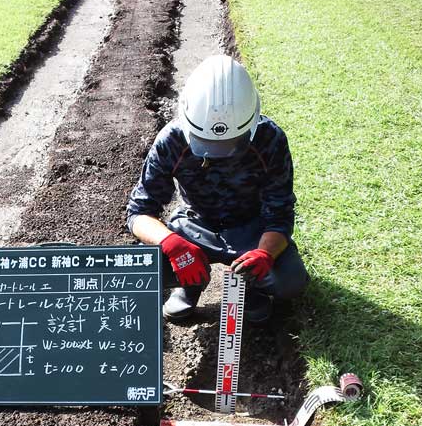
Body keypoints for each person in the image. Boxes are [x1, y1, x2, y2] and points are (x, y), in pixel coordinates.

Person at [126, 54, 309, 323]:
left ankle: (249, 286)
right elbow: (139, 212)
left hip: (252, 229)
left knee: (290, 281)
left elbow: (280, 212)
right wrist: (173, 245)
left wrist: (264, 254)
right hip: (195, 227)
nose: (218, 154)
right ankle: (190, 283)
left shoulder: (270, 139)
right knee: (147, 268)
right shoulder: (171, 141)